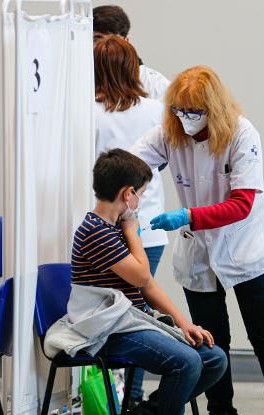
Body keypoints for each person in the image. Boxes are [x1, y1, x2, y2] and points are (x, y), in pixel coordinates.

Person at [131, 66, 264, 415]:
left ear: (214, 108)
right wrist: (119, 188)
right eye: (179, 111)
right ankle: (220, 410)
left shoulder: (242, 134)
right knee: (212, 342)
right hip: (197, 252)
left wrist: (188, 215)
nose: (185, 119)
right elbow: (131, 162)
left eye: (193, 112)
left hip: (245, 248)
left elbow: (242, 204)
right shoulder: (170, 131)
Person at [72, 149, 227, 415]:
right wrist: (133, 231)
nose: (141, 201)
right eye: (141, 194)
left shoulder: (115, 227)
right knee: (186, 362)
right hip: (109, 329)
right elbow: (143, 276)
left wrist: (184, 323)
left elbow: (148, 287)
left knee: (214, 359)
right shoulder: (95, 231)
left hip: (133, 321)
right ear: (127, 194)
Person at [93, 34, 168, 407]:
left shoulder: (88, 112)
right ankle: (133, 401)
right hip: (148, 226)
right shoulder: (156, 111)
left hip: (103, 229)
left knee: (101, 314)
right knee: (142, 316)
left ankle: (105, 395)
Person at [93, 5, 170, 100]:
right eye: (96, 39)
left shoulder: (156, 85)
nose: (103, 46)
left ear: (126, 42)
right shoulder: (77, 78)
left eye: (111, 39)